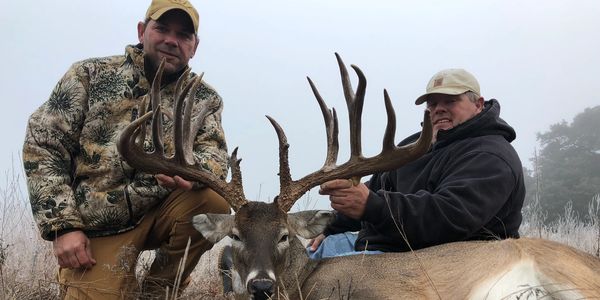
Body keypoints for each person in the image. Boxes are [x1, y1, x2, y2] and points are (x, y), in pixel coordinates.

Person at [22, 0, 231, 298]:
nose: (172, 40)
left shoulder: (204, 98)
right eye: (162, 29)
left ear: (194, 46)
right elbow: (43, 146)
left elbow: (214, 157)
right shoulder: (90, 74)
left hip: (164, 210)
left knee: (213, 203)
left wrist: (195, 175)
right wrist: (63, 226)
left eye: (183, 35)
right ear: (142, 31)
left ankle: (159, 289)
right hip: (98, 223)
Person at [309, 68, 525, 258]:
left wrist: (371, 206)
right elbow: (375, 190)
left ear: (478, 104)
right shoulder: (414, 146)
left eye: (450, 101)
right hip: (389, 247)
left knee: (321, 280)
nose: (438, 109)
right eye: (433, 104)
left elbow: (449, 217)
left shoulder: (491, 156)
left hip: (446, 262)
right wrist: (332, 227)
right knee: (305, 255)